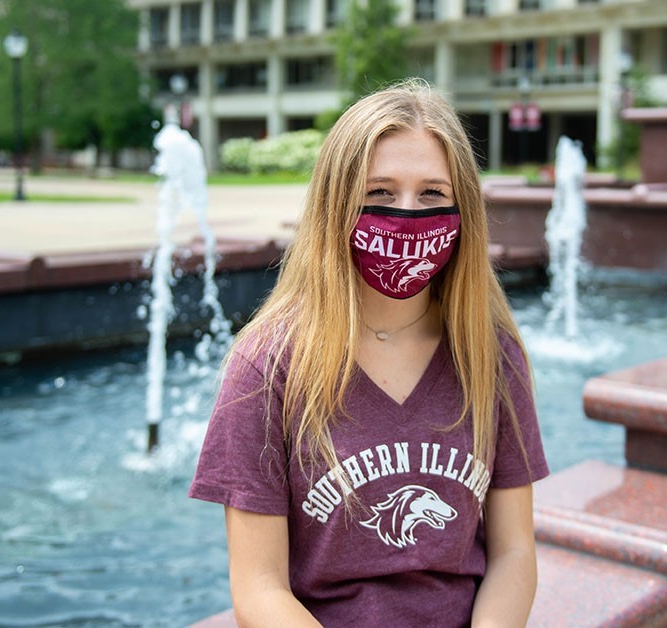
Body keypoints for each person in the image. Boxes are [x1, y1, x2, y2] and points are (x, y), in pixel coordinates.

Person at [189, 78, 549, 627]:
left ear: (463, 211)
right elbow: (258, 588)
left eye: (432, 194)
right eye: (379, 192)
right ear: (337, 206)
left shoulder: (491, 354)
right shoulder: (267, 365)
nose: (407, 214)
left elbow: (514, 553)